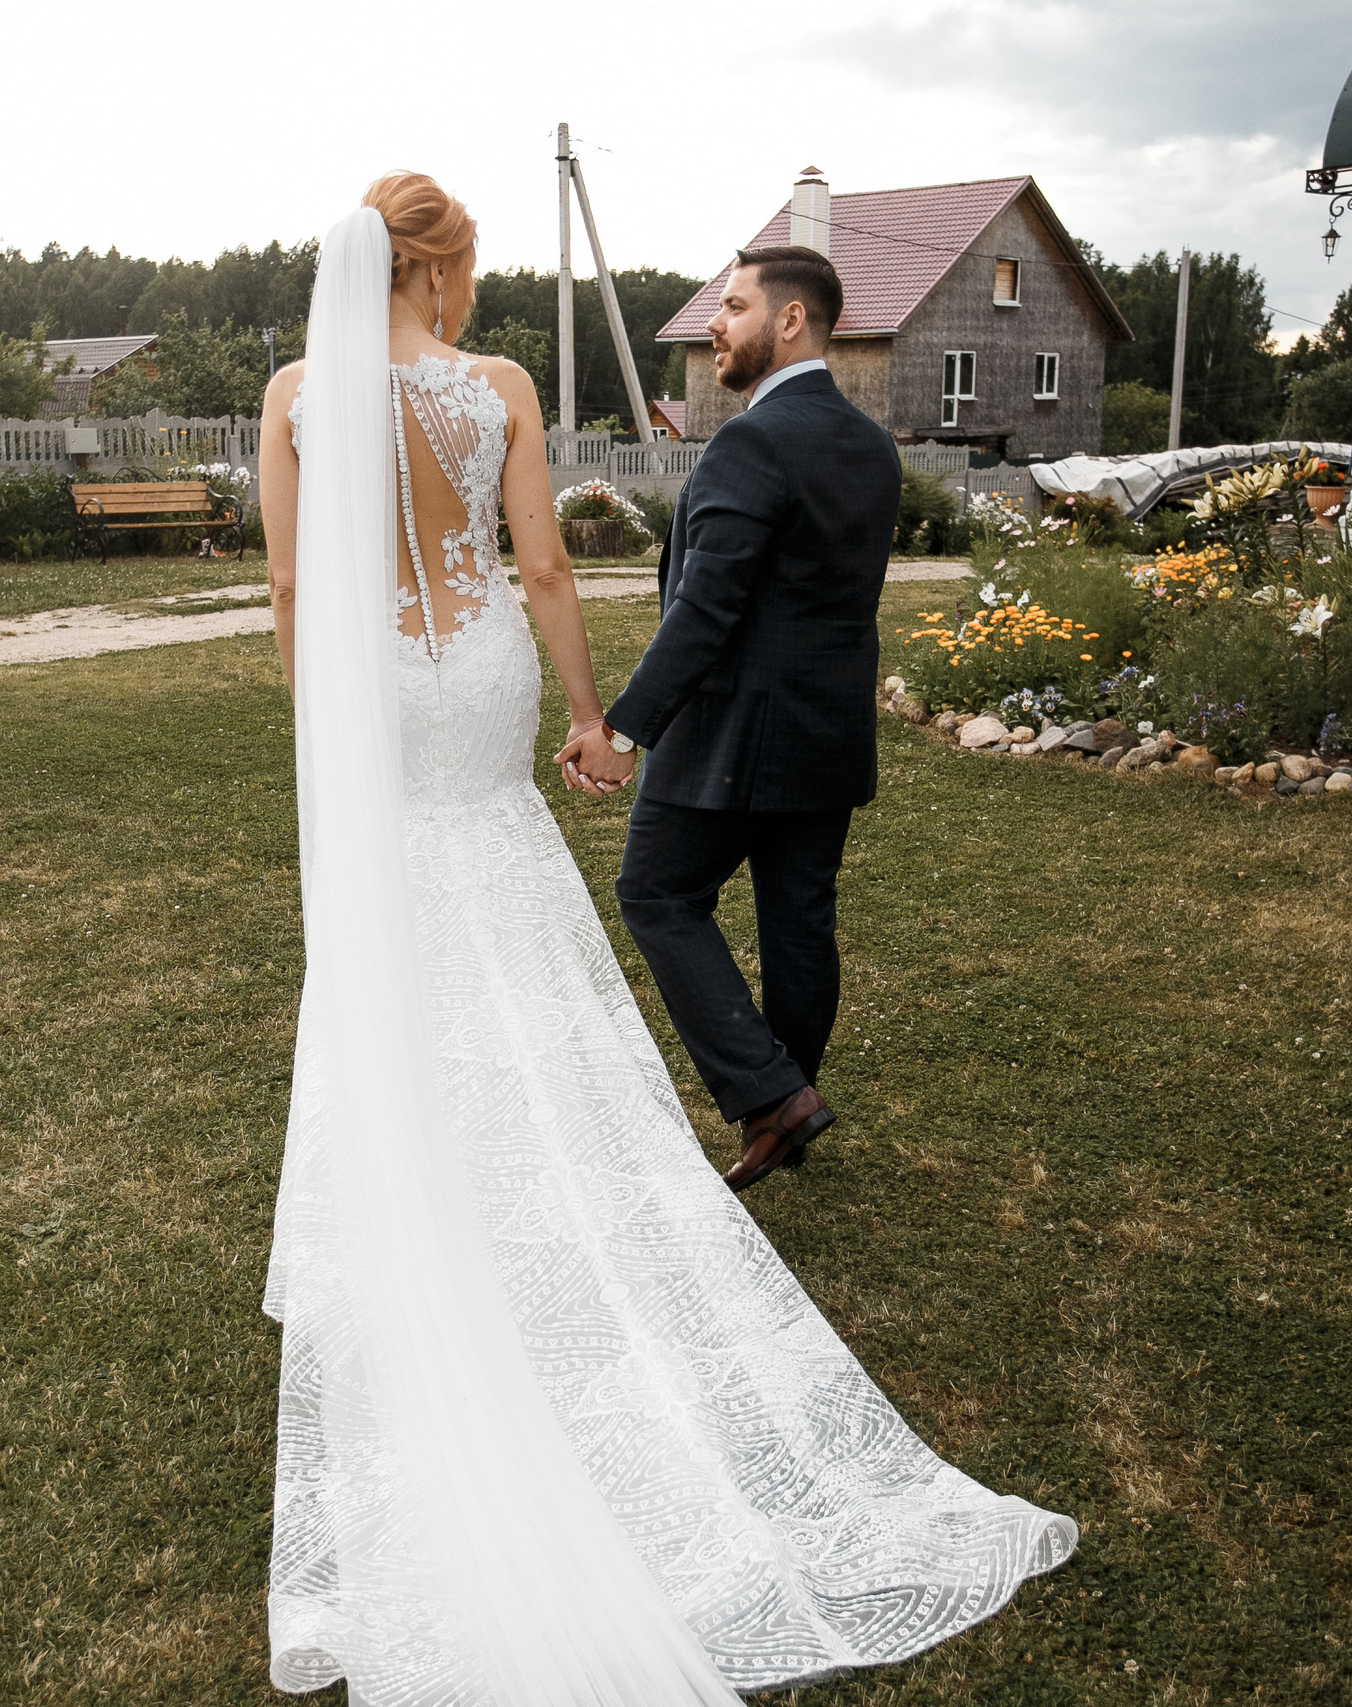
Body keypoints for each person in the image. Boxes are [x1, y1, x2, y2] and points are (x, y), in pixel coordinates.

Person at [259, 172, 1074, 1707]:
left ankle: (395, 1206)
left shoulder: (295, 390)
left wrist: (330, 730)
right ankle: (693, 1118)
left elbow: (297, 584)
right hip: (482, 671)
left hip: (368, 692)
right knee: (515, 901)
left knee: (386, 932)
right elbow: (545, 564)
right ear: (438, 267)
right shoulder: (492, 385)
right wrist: (581, 709)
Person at [599, 246, 901, 1192]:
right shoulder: (871, 444)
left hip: (732, 740)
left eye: (733, 307)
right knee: (798, 925)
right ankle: (787, 1107)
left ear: (792, 321)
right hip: (828, 737)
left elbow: (706, 607)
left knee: (656, 891)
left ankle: (771, 1095)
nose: (715, 327)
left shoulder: (752, 441)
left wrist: (623, 729)